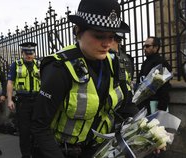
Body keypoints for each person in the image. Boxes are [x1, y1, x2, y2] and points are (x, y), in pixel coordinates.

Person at [31, 0, 140, 157]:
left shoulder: (116, 64)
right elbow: (40, 126)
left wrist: (146, 131)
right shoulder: (59, 68)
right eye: (99, 35)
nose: (107, 43)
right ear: (78, 31)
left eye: (112, 36)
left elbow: (127, 106)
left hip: (100, 151)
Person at [7, 42, 40, 158]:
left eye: (31, 53)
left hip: (37, 101)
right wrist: (9, 100)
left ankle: (35, 153)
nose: (29, 56)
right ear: (22, 53)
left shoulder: (40, 64)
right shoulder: (15, 65)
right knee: (24, 131)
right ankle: (25, 155)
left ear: (34, 53)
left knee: (37, 130)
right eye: (26, 53)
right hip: (23, 101)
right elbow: (10, 83)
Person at [136, 36, 172, 115]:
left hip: (155, 104)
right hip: (143, 105)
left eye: (147, 46)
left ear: (156, 47)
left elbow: (165, 88)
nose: (144, 48)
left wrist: (161, 108)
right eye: (144, 46)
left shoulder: (161, 63)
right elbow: (140, 81)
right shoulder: (145, 63)